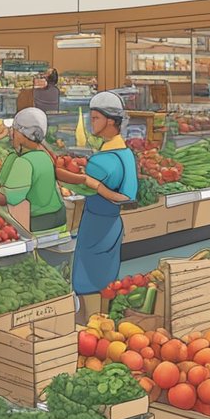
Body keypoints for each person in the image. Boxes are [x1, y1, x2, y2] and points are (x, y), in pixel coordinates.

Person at [57, 92, 137, 323]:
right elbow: (128, 196)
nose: (91, 123)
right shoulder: (126, 155)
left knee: (86, 278)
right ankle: (101, 323)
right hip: (112, 225)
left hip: (95, 224)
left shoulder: (101, 161)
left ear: (110, 121)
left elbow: (83, 186)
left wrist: (91, 184)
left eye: (95, 119)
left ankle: (90, 326)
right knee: (106, 277)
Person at [0, 109, 67, 233]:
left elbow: (6, 199)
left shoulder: (24, 162)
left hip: (38, 226)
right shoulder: (44, 156)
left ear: (23, 134)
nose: (10, 133)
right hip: (59, 221)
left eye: (14, 130)